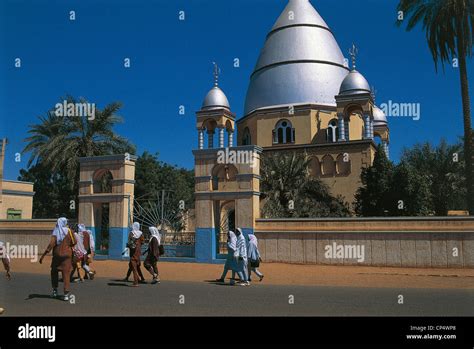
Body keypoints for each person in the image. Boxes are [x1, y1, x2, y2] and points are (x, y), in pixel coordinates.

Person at [39, 217, 76, 301]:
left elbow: (51, 245)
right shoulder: (69, 231)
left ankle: (55, 291)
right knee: (66, 274)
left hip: (57, 256)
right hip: (67, 256)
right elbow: (74, 242)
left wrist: (43, 256)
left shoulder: (56, 231)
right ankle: (66, 294)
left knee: (54, 271)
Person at [126, 222, 145, 287]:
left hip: (133, 252)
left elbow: (129, 242)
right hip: (138, 252)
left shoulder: (131, 233)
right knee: (135, 266)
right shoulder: (141, 234)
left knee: (134, 267)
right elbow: (143, 242)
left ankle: (136, 282)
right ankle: (140, 278)